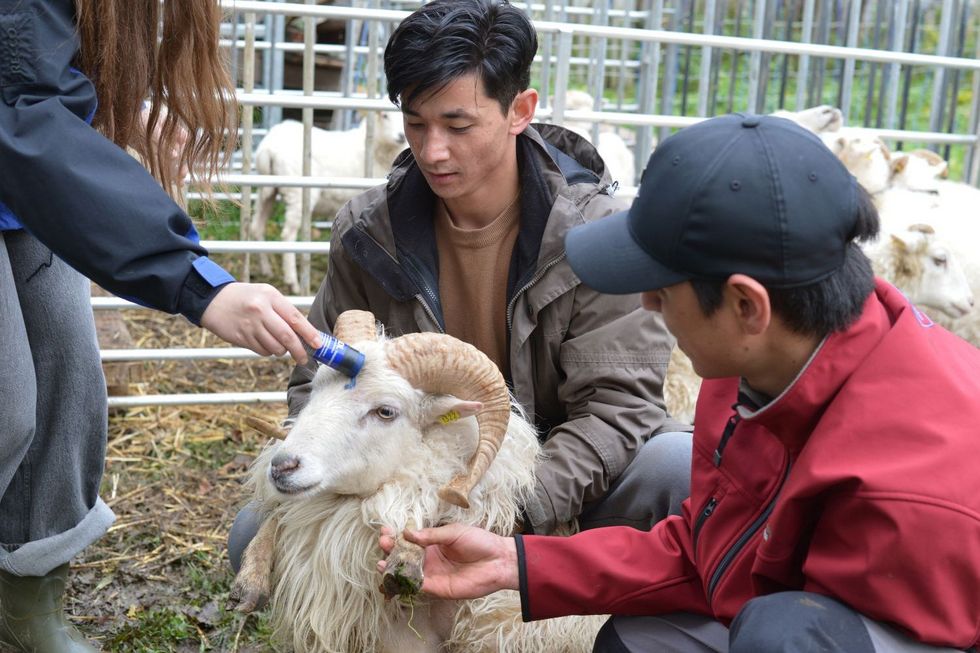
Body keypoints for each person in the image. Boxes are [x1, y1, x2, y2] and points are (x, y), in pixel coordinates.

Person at [377, 114, 980, 652]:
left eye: (663, 289)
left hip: (918, 626)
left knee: (786, 633)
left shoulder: (906, 494)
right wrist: (519, 563)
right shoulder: (753, 375)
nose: (646, 301)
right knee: (642, 640)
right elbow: (714, 556)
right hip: (814, 608)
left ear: (747, 305)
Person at [227, 0, 692, 567]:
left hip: (561, 485)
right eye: (415, 123)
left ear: (520, 110)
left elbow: (617, 410)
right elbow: (318, 379)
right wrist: (406, 500)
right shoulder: (369, 235)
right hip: (419, 484)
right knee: (251, 533)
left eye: (457, 124)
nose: (431, 151)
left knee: (676, 465)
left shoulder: (598, 237)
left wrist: (507, 512)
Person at [0, 1, 322, 650]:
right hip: (20, 151)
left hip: (22, 183)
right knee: (7, 405)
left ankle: (23, 602)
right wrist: (196, 282)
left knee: (72, 383)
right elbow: (21, 102)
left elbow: (41, 83)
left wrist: (110, 113)